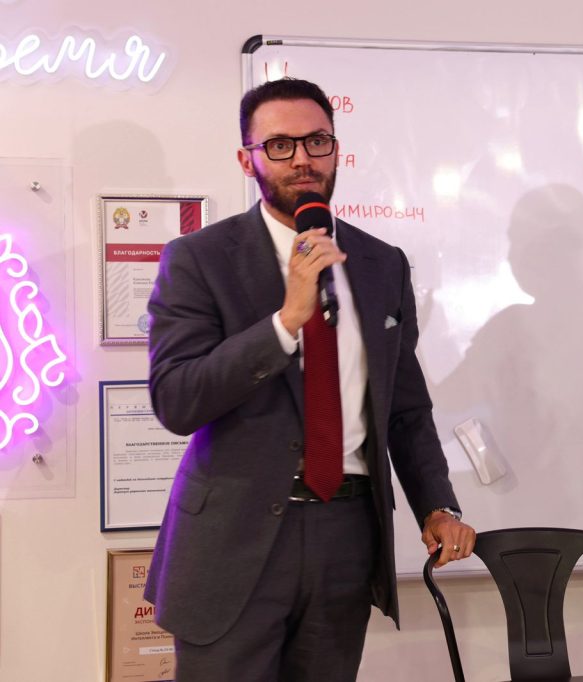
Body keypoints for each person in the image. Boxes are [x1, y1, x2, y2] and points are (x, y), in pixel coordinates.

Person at [143, 78, 475, 682]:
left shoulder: (381, 263)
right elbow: (177, 399)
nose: (302, 158)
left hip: (346, 533)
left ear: (336, 150)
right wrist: (285, 321)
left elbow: (405, 407)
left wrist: (437, 505)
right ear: (246, 158)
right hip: (233, 539)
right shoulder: (199, 258)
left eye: (317, 141)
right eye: (280, 145)